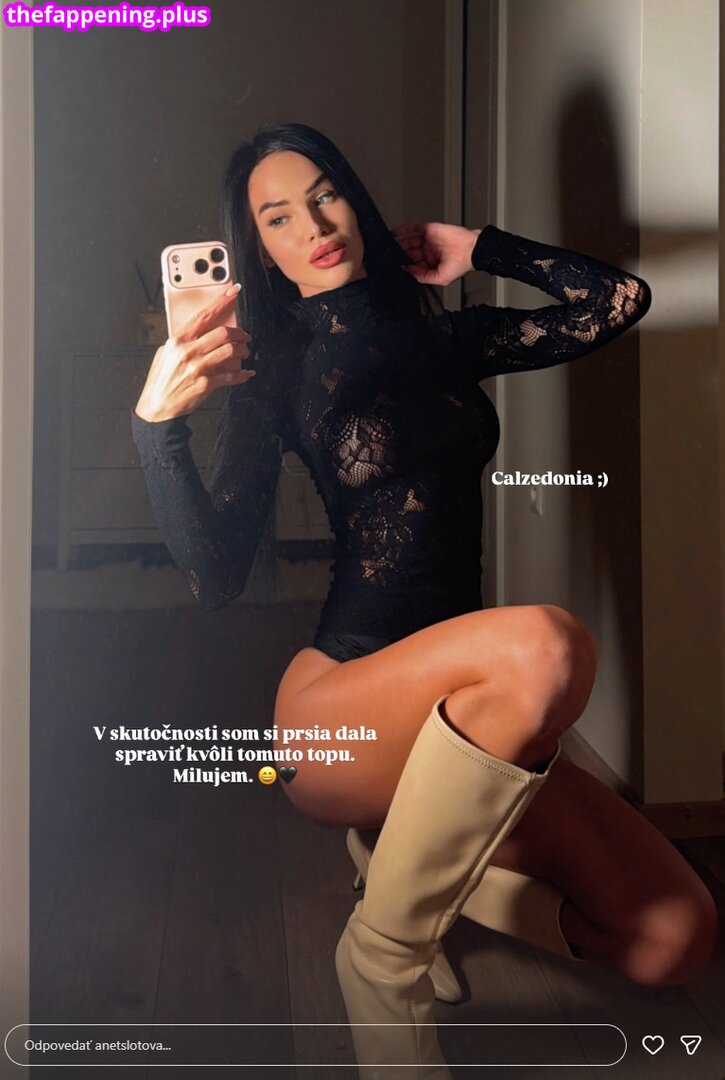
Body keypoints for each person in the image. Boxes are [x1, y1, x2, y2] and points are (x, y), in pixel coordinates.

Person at [131, 123, 716, 1077]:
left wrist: (481, 247)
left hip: (474, 725)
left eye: (325, 194)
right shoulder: (272, 376)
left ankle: (398, 871)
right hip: (341, 708)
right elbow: (215, 577)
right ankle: (383, 956)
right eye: (277, 217)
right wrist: (157, 430)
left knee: (672, 939)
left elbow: (617, 300)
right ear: (258, 251)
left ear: (354, 200)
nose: (314, 226)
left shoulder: (447, 336)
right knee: (545, 646)